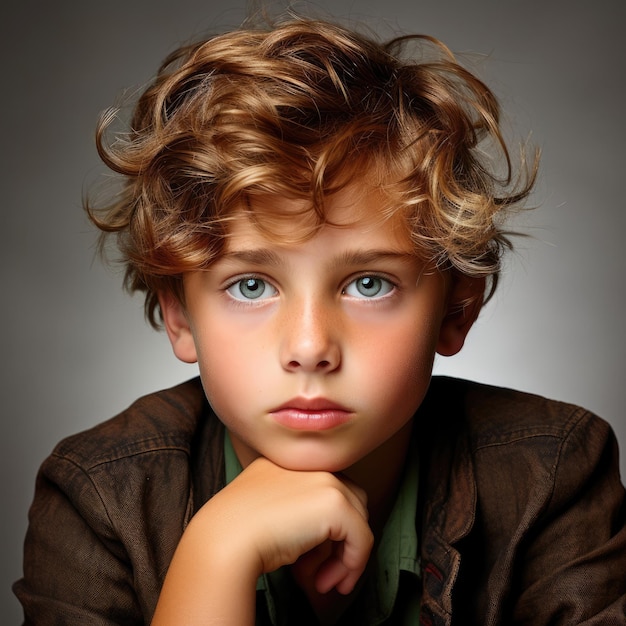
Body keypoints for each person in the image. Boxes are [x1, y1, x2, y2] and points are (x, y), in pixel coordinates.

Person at [14, 14, 626, 626]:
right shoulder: (100, 496)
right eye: (251, 285)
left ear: (456, 309)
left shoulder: (551, 475)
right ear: (179, 316)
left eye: (369, 283)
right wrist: (217, 554)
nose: (309, 348)